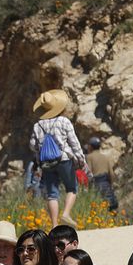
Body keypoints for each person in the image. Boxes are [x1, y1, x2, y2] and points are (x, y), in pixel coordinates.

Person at [30, 89, 86, 228]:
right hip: (64, 159)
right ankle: (66, 214)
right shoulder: (63, 121)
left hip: (46, 162)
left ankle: (54, 224)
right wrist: (81, 159)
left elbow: (32, 145)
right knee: (72, 188)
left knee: (52, 194)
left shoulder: (37, 125)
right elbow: (74, 142)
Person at [84, 137, 119, 211]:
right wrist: (110, 185)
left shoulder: (89, 157)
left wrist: (88, 188)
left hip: (96, 185)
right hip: (106, 184)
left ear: (91, 147)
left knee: (97, 208)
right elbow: (111, 174)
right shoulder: (105, 157)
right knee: (111, 206)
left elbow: (89, 173)